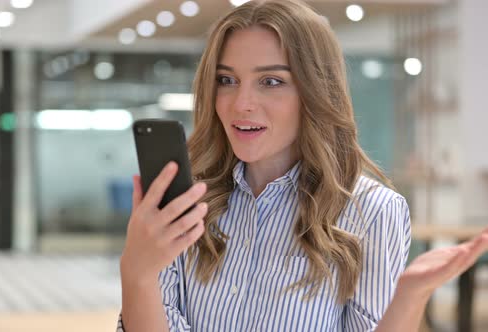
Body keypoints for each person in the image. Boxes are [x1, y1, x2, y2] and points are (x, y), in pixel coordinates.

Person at [117, 1, 487, 331]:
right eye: (226, 80)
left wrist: (408, 297)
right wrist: (137, 275)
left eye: (271, 81)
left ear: (315, 91)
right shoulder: (187, 204)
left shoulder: (372, 211)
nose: (241, 103)